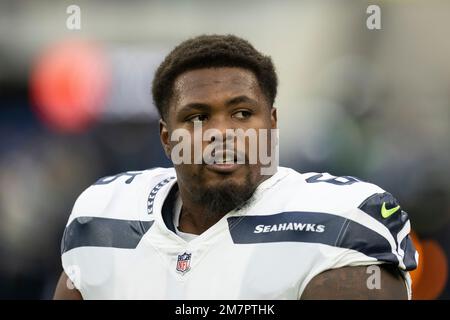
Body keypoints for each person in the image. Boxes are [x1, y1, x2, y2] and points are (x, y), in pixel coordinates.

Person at [54, 34, 417, 300]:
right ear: (167, 138)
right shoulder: (103, 218)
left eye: (242, 113)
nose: (222, 134)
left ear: (272, 124)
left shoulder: (338, 222)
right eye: (197, 117)